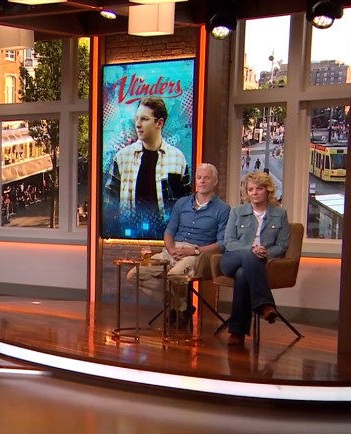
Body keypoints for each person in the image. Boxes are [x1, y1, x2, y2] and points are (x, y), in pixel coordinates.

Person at [128, 163, 230, 325]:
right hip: (172, 250)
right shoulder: (182, 203)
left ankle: (179, 309)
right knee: (134, 274)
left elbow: (222, 244)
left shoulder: (223, 209)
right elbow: (169, 231)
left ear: (215, 181)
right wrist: (171, 249)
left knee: (175, 274)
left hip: (198, 254)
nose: (202, 181)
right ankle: (179, 305)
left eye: (207, 178)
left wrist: (194, 251)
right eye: (199, 177)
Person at [220, 171, 291, 346]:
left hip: (259, 263)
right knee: (248, 256)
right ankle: (265, 304)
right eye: (250, 189)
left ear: (268, 190)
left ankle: (237, 332)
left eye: (259, 189)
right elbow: (229, 242)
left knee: (243, 275)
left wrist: (266, 252)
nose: (254, 193)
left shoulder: (280, 214)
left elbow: (282, 245)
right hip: (232, 259)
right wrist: (251, 249)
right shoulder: (237, 212)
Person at [104, 96, 191, 237]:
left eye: (144, 119)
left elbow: (186, 206)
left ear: (159, 123)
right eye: (136, 118)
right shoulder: (122, 157)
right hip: (129, 235)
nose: (138, 124)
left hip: (167, 238)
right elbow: (109, 204)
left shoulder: (177, 159)